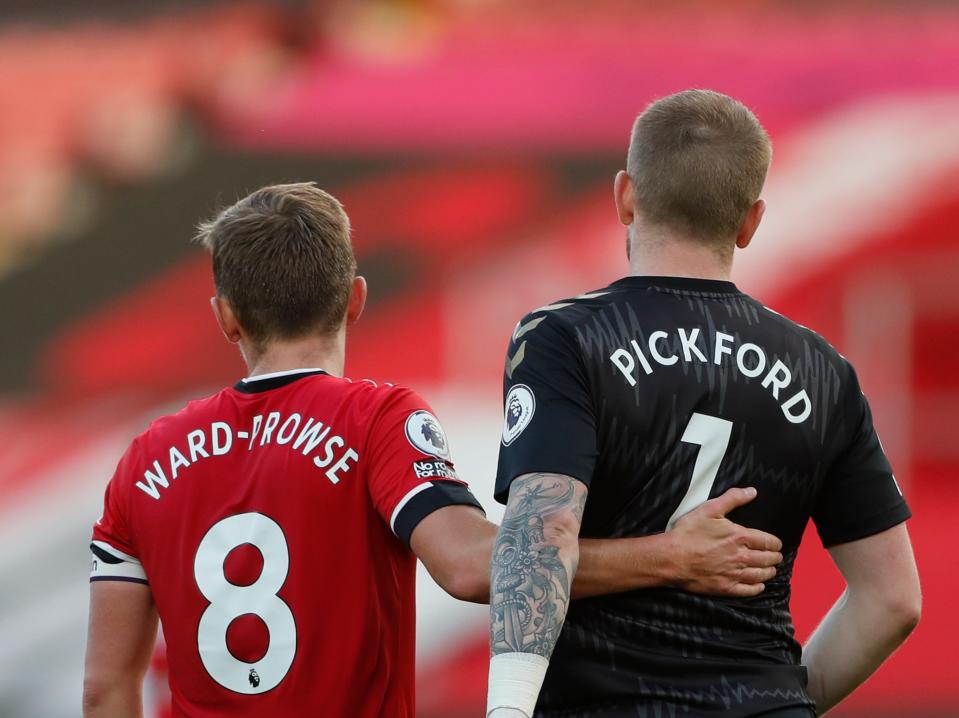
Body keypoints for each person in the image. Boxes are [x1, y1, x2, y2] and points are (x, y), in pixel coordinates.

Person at [82, 182, 785, 718]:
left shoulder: (147, 456)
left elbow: (107, 684)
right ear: (355, 300)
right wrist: (670, 556)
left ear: (225, 317)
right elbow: (475, 568)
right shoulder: (374, 419)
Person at [486, 90, 921, 718]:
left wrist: (508, 709)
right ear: (751, 221)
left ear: (625, 197)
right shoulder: (824, 369)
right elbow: (893, 600)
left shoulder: (566, 337)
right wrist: (781, 702)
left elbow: (541, 534)